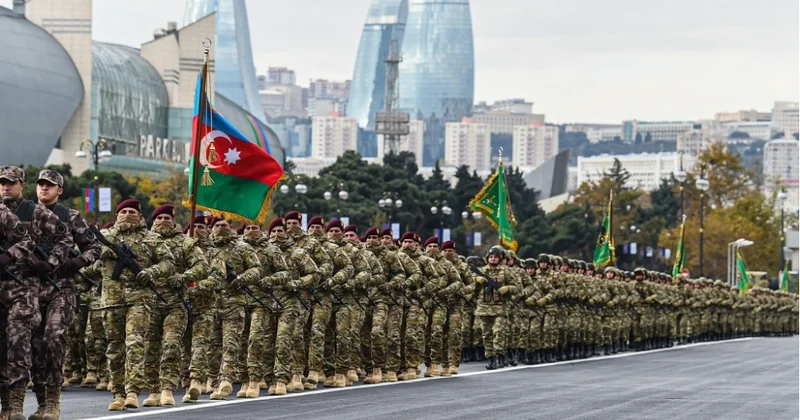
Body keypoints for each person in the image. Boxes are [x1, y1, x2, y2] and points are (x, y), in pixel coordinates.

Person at [0, 166, 73, 420]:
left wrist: (52, 263)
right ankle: (7, 406)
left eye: (10, 182)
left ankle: (33, 405)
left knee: (30, 344)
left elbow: (65, 240)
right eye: (2, 183)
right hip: (4, 287)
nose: (5, 187)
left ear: (21, 184)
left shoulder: (36, 212)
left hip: (29, 287)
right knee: (8, 347)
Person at [30, 169, 101, 420]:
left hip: (61, 287)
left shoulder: (70, 216)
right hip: (30, 288)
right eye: (40, 185)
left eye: (50, 185)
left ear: (59, 190)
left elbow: (94, 248)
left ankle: (53, 402)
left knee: (54, 337)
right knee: (35, 347)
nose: (44, 189)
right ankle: (41, 404)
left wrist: (77, 263)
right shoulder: (24, 216)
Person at [98, 199, 175, 411]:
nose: (127, 214)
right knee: (114, 348)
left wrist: (150, 273)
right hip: (111, 300)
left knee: (135, 343)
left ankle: (132, 392)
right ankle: (117, 393)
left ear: (140, 215)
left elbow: (168, 263)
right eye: (123, 211)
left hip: (140, 298)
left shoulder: (152, 238)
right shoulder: (106, 237)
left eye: (132, 211)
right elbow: (89, 256)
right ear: (116, 215)